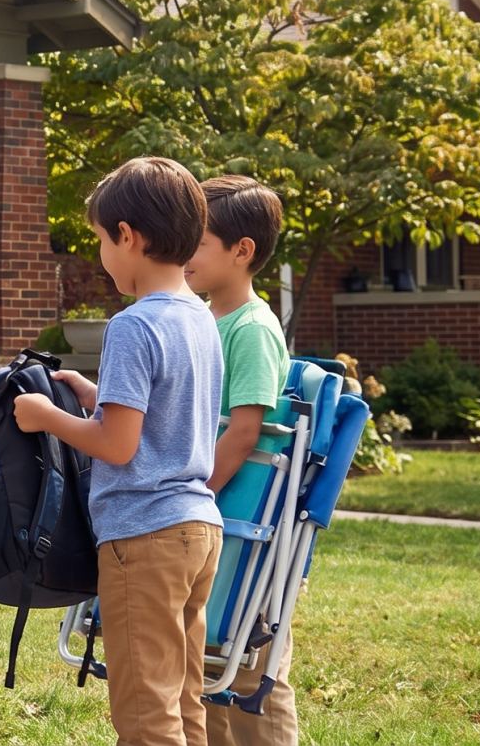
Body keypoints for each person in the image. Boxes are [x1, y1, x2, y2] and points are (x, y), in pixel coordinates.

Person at [14, 157, 224, 746]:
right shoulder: (200, 318)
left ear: (128, 236)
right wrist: (98, 394)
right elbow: (162, 413)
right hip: (198, 530)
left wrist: (47, 417)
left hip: (144, 535)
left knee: (142, 708)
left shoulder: (132, 325)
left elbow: (119, 444)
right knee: (183, 697)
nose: (102, 255)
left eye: (102, 241)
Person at [184, 175, 298, 746]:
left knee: (252, 670)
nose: (183, 253)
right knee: (209, 668)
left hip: (235, 518)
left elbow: (246, 429)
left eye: (197, 241)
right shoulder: (205, 318)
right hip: (218, 517)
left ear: (242, 250)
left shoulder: (250, 329)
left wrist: (194, 493)